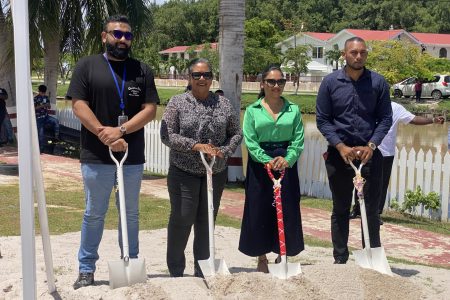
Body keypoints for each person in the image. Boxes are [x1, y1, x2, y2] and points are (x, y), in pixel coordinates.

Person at [66, 15, 159, 289]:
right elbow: (79, 105)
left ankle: (130, 259)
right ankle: (86, 269)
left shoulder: (142, 69)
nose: (122, 39)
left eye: (127, 36)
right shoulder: (87, 66)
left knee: (129, 212)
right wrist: (103, 133)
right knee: (94, 212)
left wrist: (122, 131)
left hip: (131, 155)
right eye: (117, 34)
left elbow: (150, 109)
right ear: (104, 36)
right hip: (96, 154)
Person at [160, 58, 242, 278]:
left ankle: (202, 268)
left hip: (214, 172)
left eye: (206, 75)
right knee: (182, 217)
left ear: (212, 77)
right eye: (197, 75)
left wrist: (223, 151)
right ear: (190, 78)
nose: (202, 79)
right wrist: (195, 146)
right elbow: (167, 135)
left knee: (207, 220)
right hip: (183, 171)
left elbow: (236, 132)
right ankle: (176, 269)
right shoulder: (177, 102)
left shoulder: (223, 104)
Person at [316, 37, 392, 264]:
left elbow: (385, 119)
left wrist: (371, 145)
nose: (358, 56)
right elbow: (322, 119)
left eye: (362, 53)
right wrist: (340, 146)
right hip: (340, 156)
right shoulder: (330, 83)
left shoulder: (378, 83)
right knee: (340, 208)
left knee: (370, 211)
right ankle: (340, 258)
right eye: (353, 52)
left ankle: (371, 256)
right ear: (344, 55)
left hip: (369, 155)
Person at [239, 65, 305, 273]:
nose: (276, 86)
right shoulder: (252, 110)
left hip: (286, 163)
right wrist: (266, 160)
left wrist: (288, 159)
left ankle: (282, 253)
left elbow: (298, 139)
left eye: (280, 82)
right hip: (260, 166)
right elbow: (250, 141)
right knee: (259, 208)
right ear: (262, 84)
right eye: (271, 82)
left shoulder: (293, 109)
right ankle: (261, 256)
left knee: (286, 206)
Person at [349, 102, 445, 222]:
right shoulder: (369, 103)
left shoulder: (396, 107)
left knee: (381, 184)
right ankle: (357, 209)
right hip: (367, 151)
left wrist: (433, 120)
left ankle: (376, 214)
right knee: (361, 180)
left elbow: (413, 119)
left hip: (386, 153)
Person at [34, 84, 60, 152]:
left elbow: (49, 106)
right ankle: (41, 148)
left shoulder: (46, 97)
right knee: (41, 133)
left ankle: (56, 137)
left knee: (56, 121)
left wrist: (48, 106)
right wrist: (42, 106)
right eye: (41, 92)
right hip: (39, 118)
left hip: (46, 116)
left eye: (44, 93)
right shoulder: (35, 98)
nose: (43, 94)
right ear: (39, 91)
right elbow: (33, 108)